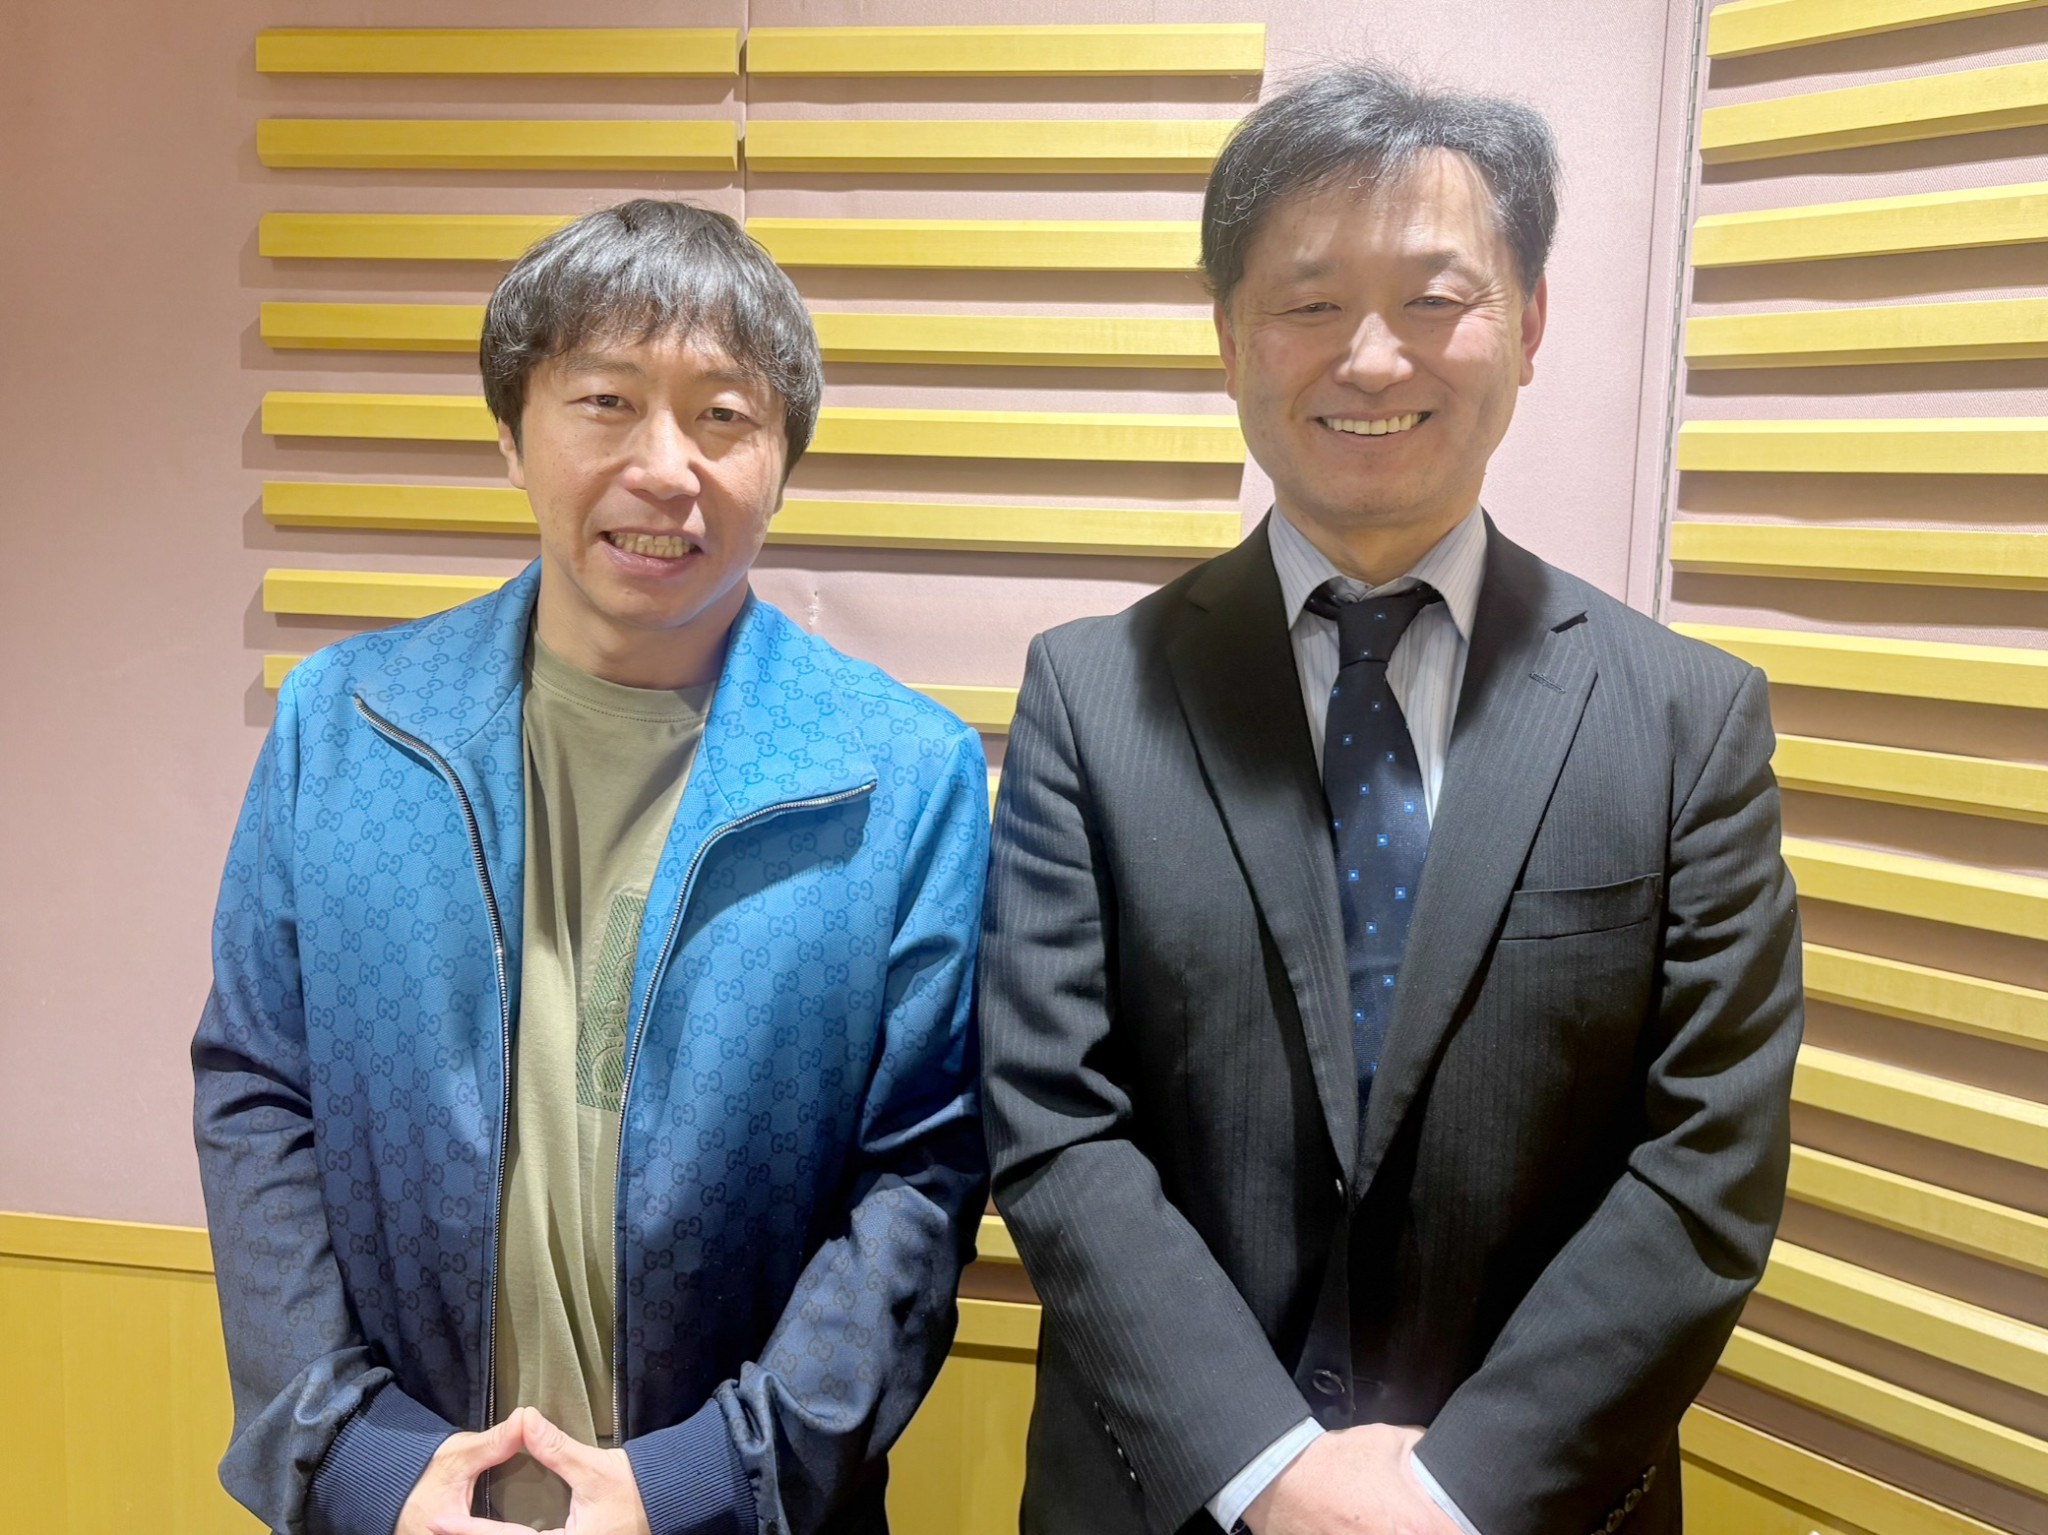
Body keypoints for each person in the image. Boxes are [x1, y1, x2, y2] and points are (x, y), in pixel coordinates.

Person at [978, 65, 1802, 1535]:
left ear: (1529, 322)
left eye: (1433, 298)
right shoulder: (1090, 698)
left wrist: (1456, 1494)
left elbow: (1708, 1163)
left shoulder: (1689, 720)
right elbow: (1053, 1123)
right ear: (1231, 336)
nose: (1370, 359)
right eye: (1308, 302)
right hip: (1172, 1495)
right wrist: (1270, 1473)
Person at [193, 199, 990, 1535]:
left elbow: (922, 1174)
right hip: (405, 1500)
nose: (665, 468)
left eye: (723, 416)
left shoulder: (902, 772)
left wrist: (705, 1482)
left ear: (782, 460)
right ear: (512, 434)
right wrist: (358, 1458)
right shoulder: (348, 723)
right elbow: (257, 1093)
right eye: (606, 402)